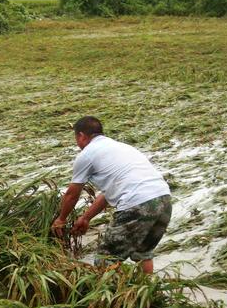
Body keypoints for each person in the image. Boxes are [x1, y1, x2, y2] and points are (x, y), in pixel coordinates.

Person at [51, 116, 171, 274]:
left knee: (105, 258)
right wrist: (86, 217)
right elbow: (109, 193)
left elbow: (72, 194)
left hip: (137, 204)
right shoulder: (121, 147)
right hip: (164, 201)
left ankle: (109, 297)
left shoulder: (87, 154)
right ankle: (146, 294)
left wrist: (61, 219)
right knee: (143, 254)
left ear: (81, 135)